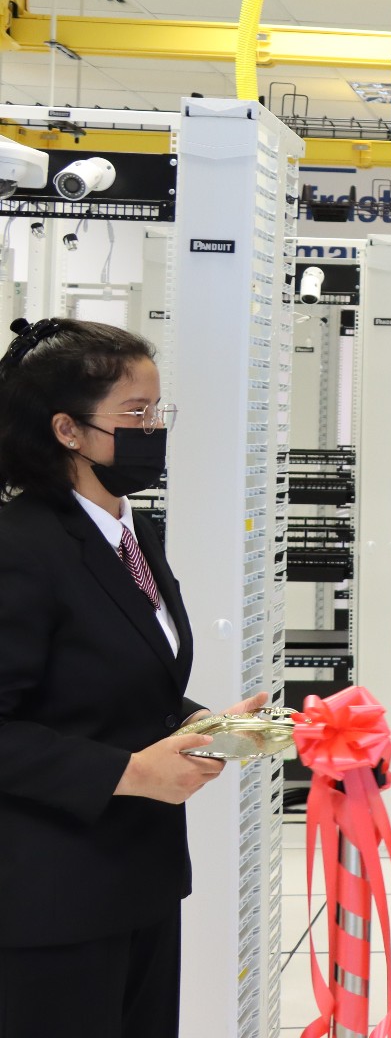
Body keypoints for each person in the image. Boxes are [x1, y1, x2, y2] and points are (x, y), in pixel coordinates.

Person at [0, 317, 265, 1038]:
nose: (154, 430)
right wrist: (126, 772)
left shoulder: (129, 532)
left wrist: (217, 728)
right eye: (136, 415)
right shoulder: (22, 547)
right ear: (68, 430)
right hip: (52, 900)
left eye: (158, 412)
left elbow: (115, 681)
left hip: (138, 881)